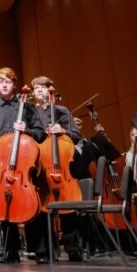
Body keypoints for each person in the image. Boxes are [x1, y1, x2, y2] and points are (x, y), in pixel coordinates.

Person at [0, 67, 47, 263]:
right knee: (4, 207)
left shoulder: (26, 105)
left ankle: (39, 251)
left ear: (14, 84)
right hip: (1, 166)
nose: (4, 84)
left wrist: (27, 130)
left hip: (25, 163)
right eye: (0, 82)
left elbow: (40, 132)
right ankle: (10, 251)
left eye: (7, 81)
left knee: (31, 206)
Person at [30, 76, 83, 262]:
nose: (38, 91)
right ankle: (46, 251)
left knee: (68, 209)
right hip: (41, 166)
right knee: (41, 211)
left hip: (61, 165)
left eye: (42, 88)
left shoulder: (61, 110)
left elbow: (76, 136)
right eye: (35, 88)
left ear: (50, 90)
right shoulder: (30, 113)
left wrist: (63, 131)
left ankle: (73, 248)